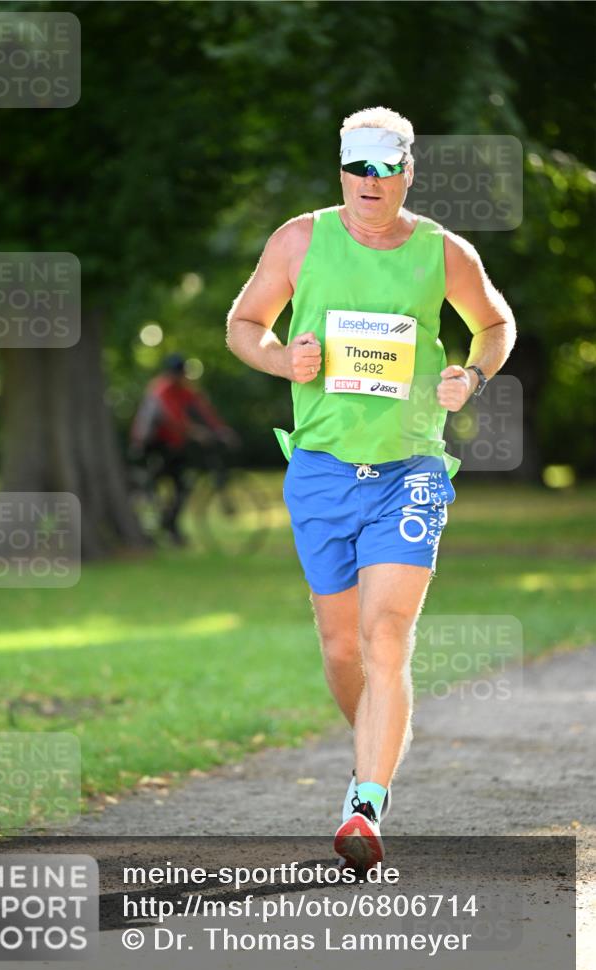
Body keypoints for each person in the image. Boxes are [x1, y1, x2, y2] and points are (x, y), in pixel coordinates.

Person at [226, 106, 516, 870]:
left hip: (409, 471)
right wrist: (280, 357)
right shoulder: (299, 240)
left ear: (408, 172)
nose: (370, 182)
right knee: (341, 647)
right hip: (320, 469)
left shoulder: (441, 251)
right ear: (341, 170)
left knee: (384, 636)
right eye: (358, 167)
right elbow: (243, 323)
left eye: (386, 168)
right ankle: (378, 745)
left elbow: (495, 323)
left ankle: (366, 800)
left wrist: (471, 374)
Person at [130, 353, 237, 544]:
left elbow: (203, 410)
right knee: (155, 483)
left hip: (173, 444)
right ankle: (153, 519)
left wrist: (220, 429)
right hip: (152, 444)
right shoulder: (161, 390)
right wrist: (196, 432)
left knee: (182, 485)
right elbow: (171, 418)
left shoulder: (184, 391)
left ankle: (170, 525)